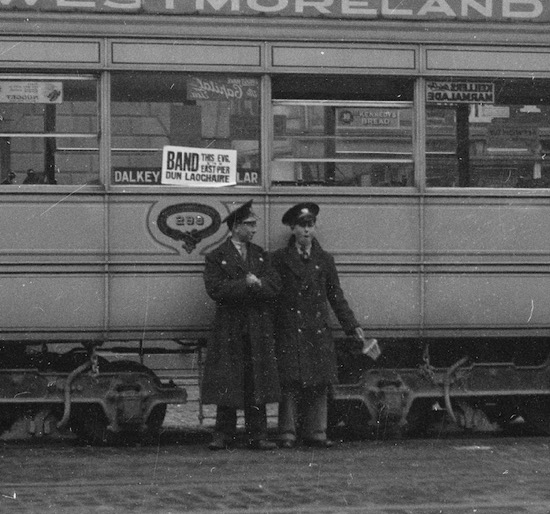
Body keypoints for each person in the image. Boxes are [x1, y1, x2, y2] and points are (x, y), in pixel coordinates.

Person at [271, 202, 380, 449]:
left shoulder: (325, 260)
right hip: (290, 329)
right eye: (302, 226)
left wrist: (352, 326)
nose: (307, 231)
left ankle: (316, 432)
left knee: (319, 384)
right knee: (290, 383)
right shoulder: (278, 259)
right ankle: (287, 432)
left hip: (317, 330)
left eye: (311, 225)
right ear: (292, 228)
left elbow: (336, 296)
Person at [202, 200, 281, 450]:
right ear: (236, 227)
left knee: (256, 382)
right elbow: (215, 289)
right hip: (230, 329)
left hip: (256, 329)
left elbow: (275, 285)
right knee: (228, 383)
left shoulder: (260, 255)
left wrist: (258, 285)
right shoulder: (216, 257)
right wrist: (245, 284)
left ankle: (258, 435)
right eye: (250, 224)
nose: (254, 229)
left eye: (254, 224)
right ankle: (222, 434)